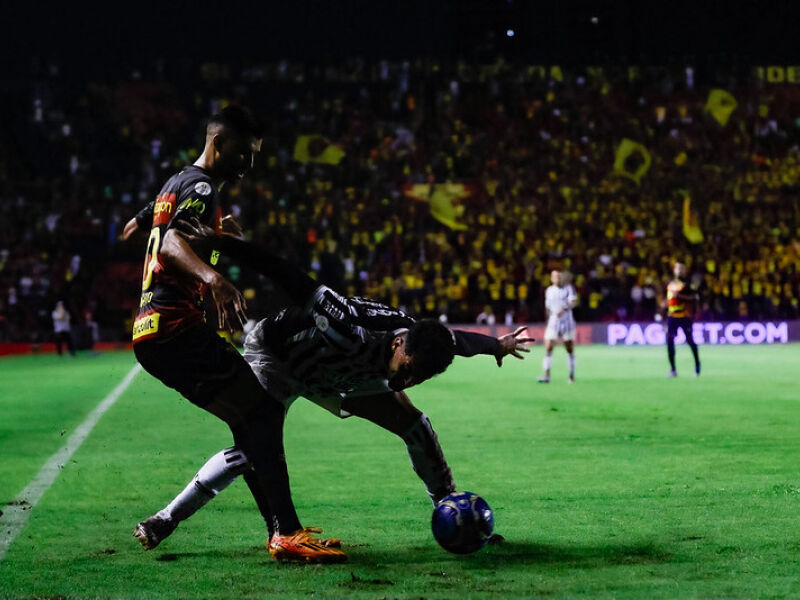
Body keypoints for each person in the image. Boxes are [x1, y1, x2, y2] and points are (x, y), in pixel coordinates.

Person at [131, 217, 534, 558]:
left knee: (416, 425)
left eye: (416, 378)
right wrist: (223, 244)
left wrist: (497, 345)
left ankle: (451, 508)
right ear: (397, 344)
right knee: (257, 444)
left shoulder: (420, 345)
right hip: (282, 358)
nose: (407, 380)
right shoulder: (347, 322)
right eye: (407, 370)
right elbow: (287, 274)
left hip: (344, 376)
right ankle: (167, 518)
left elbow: (456, 341)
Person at [128, 107, 348, 564]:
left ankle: (282, 533)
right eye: (245, 153)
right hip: (175, 328)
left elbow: (150, 225)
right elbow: (169, 244)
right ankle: (286, 532)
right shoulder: (203, 187)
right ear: (219, 143)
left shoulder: (177, 182)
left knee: (251, 421)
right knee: (262, 414)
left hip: (151, 330)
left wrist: (204, 236)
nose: (249, 164)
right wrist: (214, 279)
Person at [538, 270, 577, 384]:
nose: (558, 279)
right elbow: (548, 307)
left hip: (567, 323)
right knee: (548, 348)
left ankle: (571, 375)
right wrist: (547, 320)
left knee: (569, 349)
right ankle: (546, 375)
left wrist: (564, 308)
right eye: (555, 277)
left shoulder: (568, 288)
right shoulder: (549, 291)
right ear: (551, 278)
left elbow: (573, 302)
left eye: (559, 277)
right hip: (553, 322)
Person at [664, 262, 701, 377]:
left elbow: (694, 298)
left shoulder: (688, 284)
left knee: (690, 341)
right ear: (674, 270)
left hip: (685, 317)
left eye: (681, 269)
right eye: (677, 269)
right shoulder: (670, 284)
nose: (679, 271)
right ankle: (673, 369)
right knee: (670, 342)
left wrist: (679, 296)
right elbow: (670, 300)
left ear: (685, 271)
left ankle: (697, 364)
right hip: (672, 317)